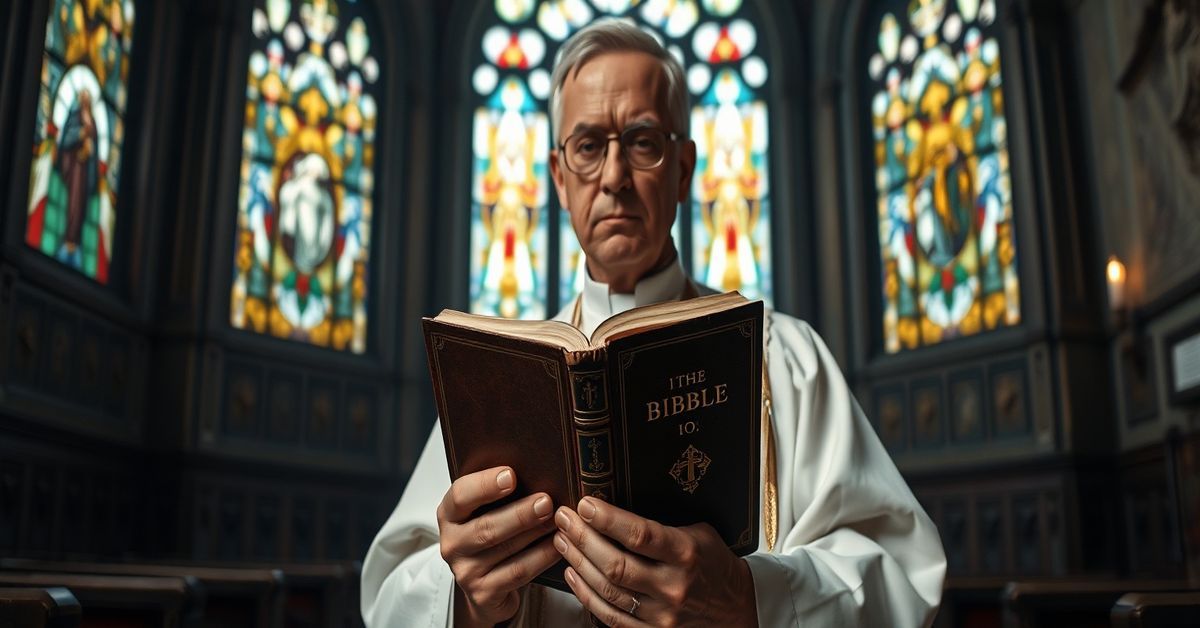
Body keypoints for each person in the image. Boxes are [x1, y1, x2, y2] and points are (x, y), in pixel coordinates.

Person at [362, 19, 946, 627]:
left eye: (642, 141)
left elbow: (901, 568)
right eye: (587, 147)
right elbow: (391, 591)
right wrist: (463, 594)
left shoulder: (783, 358)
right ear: (559, 179)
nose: (613, 176)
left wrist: (750, 596)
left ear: (684, 168)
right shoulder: (502, 378)